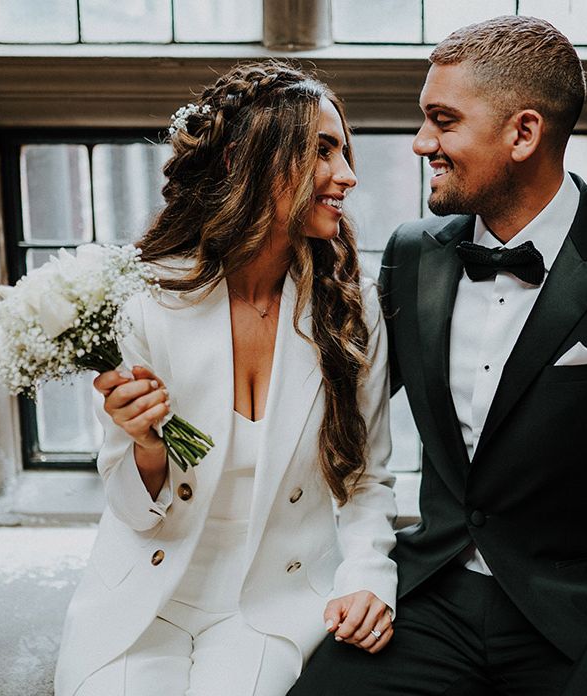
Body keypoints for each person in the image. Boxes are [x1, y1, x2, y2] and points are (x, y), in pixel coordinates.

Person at [289, 15, 587, 696]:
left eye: (442, 121)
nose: (421, 144)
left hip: (573, 616)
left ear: (523, 133)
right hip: (428, 593)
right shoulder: (413, 250)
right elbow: (331, 403)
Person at [54, 60, 399, 696]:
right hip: (146, 590)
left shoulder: (353, 308)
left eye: (344, 152)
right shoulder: (146, 299)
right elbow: (131, 507)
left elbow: (364, 477)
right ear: (249, 159)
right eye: (322, 152)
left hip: (274, 596)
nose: (347, 176)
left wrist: (368, 576)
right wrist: (146, 446)